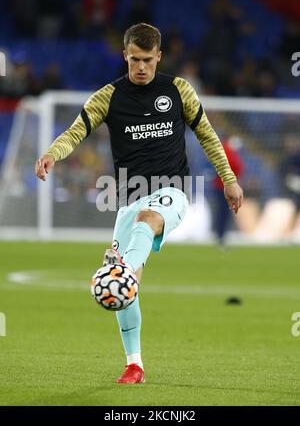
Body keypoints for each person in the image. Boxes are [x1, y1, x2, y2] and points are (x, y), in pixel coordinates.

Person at [35, 23, 243, 384]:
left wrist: (229, 178)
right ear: (125, 56)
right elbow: (76, 131)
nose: (141, 67)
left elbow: (207, 134)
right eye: (135, 60)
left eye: (148, 60)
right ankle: (135, 364)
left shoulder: (178, 90)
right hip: (128, 198)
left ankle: (124, 271)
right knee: (124, 292)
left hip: (174, 191)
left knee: (139, 239)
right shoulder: (108, 96)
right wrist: (54, 153)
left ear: (159, 56)